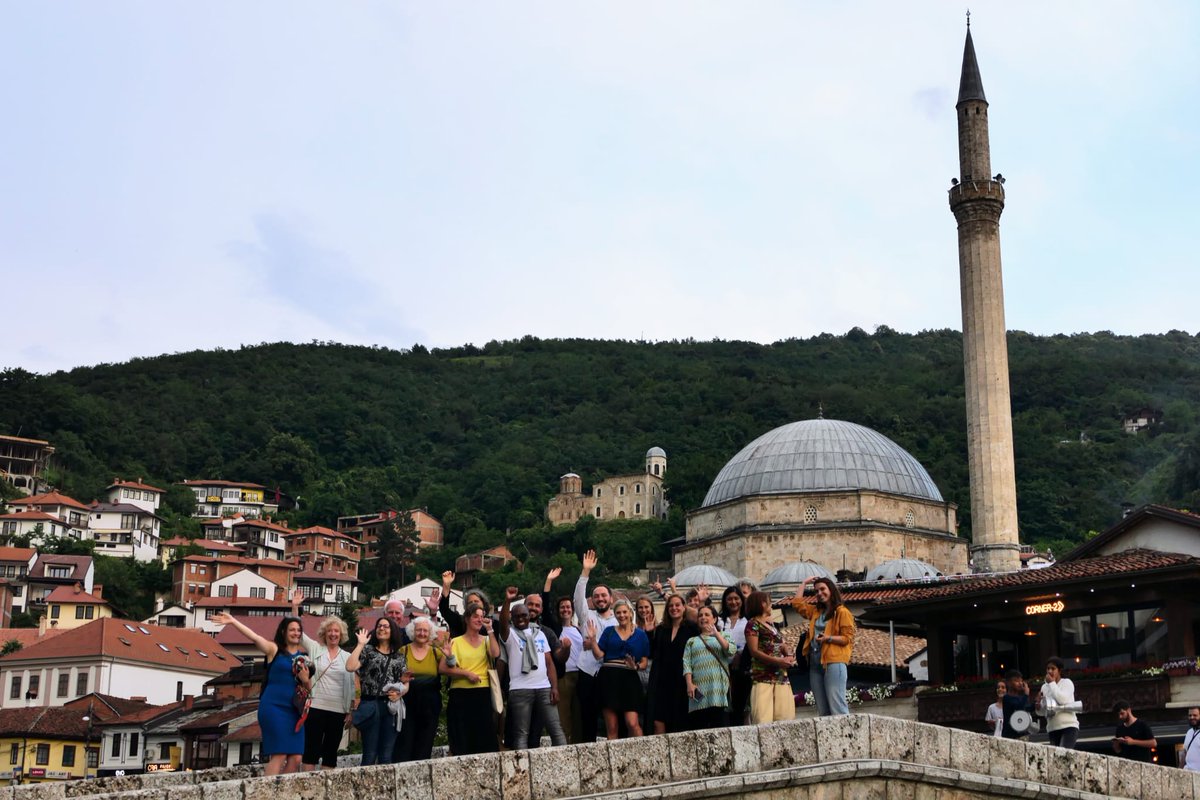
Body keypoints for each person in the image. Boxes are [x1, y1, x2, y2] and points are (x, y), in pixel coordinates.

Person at [213, 613, 311, 775]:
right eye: (292, 630)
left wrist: (305, 679)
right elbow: (255, 637)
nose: (296, 633)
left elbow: (309, 690)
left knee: (296, 757)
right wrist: (233, 621)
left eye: (298, 630)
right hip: (274, 708)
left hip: (294, 711)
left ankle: (281, 793)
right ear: (283, 632)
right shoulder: (275, 650)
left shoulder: (304, 659)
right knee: (279, 754)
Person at [498, 587, 566, 749]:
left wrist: (554, 687)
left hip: (543, 688)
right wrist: (507, 601)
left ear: (529, 617)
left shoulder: (541, 634)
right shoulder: (510, 635)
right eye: (517, 616)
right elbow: (502, 623)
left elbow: (549, 663)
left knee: (556, 730)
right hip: (520, 690)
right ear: (512, 619)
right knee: (521, 734)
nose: (521, 619)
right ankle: (522, 771)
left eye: (524, 615)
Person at [439, 602, 501, 755]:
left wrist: (490, 631)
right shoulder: (455, 641)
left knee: (485, 738)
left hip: (482, 692)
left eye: (482, 617)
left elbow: (495, 654)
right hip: (460, 694)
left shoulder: (487, 640)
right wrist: (466, 673)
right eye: (475, 617)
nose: (479, 620)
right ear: (467, 619)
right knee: (462, 737)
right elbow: (442, 668)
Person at [789, 576, 855, 716]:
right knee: (823, 710)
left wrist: (827, 638)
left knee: (837, 706)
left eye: (822, 589)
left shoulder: (842, 612)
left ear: (831, 590)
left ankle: (845, 736)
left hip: (834, 661)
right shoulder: (816, 612)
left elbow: (847, 638)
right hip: (815, 662)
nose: (819, 593)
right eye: (816, 591)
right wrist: (803, 583)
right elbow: (797, 604)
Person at [346, 616, 409, 765]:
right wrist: (360, 644)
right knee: (369, 753)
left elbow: (405, 683)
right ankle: (364, 788)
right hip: (370, 704)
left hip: (390, 707)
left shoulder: (399, 657)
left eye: (386, 626)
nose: (382, 628)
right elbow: (350, 666)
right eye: (379, 626)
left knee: (386, 755)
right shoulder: (368, 651)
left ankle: (384, 788)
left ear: (392, 631)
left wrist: (400, 693)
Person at [586, 597, 649, 739]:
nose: (622, 615)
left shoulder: (641, 635)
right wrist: (593, 640)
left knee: (632, 723)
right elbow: (598, 655)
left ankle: (642, 755)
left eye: (624, 612)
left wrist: (636, 666)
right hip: (609, 677)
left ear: (630, 613)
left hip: (629, 677)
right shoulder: (609, 631)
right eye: (618, 613)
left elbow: (644, 662)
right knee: (612, 726)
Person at [298, 615, 355, 771]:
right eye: (329, 631)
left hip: (338, 710)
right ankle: (307, 790)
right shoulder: (316, 648)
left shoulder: (347, 657)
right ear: (324, 633)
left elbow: (351, 685)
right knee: (311, 751)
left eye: (336, 631)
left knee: (330, 753)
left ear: (341, 635)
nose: (333, 634)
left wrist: (350, 710)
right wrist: (295, 607)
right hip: (316, 706)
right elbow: (300, 633)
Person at [575, 549, 617, 742]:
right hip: (587, 672)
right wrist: (585, 572)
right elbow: (578, 599)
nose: (600, 599)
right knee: (587, 717)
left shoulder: (619, 621)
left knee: (612, 717)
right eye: (596, 596)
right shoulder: (587, 616)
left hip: (610, 672)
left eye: (603, 596)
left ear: (611, 599)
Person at [394, 616, 445, 762]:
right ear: (412, 632)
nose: (422, 633)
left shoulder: (436, 653)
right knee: (405, 743)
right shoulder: (403, 651)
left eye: (425, 630)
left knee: (425, 744)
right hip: (407, 703)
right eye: (419, 630)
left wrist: (450, 657)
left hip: (430, 704)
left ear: (430, 633)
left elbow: (451, 668)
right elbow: (394, 675)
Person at [648, 593, 700, 734]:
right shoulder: (661, 629)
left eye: (678, 605)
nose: (674, 608)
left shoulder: (692, 628)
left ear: (684, 607)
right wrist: (648, 632)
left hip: (683, 680)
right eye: (670, 606)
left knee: (680, 721)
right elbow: (653, 653)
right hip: (662, 681)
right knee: (658, 721)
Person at [743, 590, 796, 723]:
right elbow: (754, 651)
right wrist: (778, 661)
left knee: (785, 718)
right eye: (769, 602)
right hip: (763, 677)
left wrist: (788, 655)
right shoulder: (753, 624)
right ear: (762, 604)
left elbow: (781, 644)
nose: (771, 605)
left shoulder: (771, 625)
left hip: (780, 677)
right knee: (763, 720)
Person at [682, 605, 737, 730]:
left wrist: (716, 634)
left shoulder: (724, 636)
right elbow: (687, 664)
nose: (703, 617)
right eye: (700, 615)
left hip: (718, 690)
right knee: (699, 728)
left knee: (720, 728)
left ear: (715, 619)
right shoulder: (692, 641)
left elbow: (731, 651)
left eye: (707, 615)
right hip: (699, 691)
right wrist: (689, 684)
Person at [553, 595, 584, 743]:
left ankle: (576, 744)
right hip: (564, 676)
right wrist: (549, 583)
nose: (565, 609)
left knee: (578, 714)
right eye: (562, 607)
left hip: (579, 675)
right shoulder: (555, 629)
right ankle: (564, 744)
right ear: (558, 610)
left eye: (568, 607)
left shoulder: (577, 630)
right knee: (563, 714)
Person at [719, 585, 750, 726]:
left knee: (740, 705)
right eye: (729, 599)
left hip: (741, 668)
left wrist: (740, 654)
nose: (733, 602)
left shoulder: (748, 620)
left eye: (736, 598)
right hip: (721, 668)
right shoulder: (719, 621)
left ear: (742, 601)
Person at [1038, 656, 1079, 749]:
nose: (1050, 671)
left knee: (1062, 755)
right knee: (1056, 759)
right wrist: (1038, 705)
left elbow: (1062, 700)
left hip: (1068, 727)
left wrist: (1052, 683)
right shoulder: (1044, 687)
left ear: (1059, 671)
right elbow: (1042, 712)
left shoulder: (1067, 683)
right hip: (1052, 728)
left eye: (1053, 668)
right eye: (1048, 668)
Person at [440, 570, 493, 637]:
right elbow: (444, 610)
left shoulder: (492, 624)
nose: (473, 604)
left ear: (484, 604)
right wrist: (446, 585)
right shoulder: (460, 622)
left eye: (476, 601)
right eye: (470, 602)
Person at [1001, 669, 1035, 740]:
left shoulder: (1021, 697)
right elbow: (1019, 708)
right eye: (1016, 681)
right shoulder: (1007, 698)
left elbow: (1026, 709)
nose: (1020, 683)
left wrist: (1036, 704)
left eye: (1021, 681)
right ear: (1008, 683)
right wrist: (1026, 694)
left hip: (1022, 733)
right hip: (1010, 735)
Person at [1182, 706, 1200, 772]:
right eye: (1190, 715)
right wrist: (1179, 770)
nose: (1192, 717)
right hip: (1187, 773)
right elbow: (1185, 752)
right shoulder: (1189, 732)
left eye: (1195, 715)